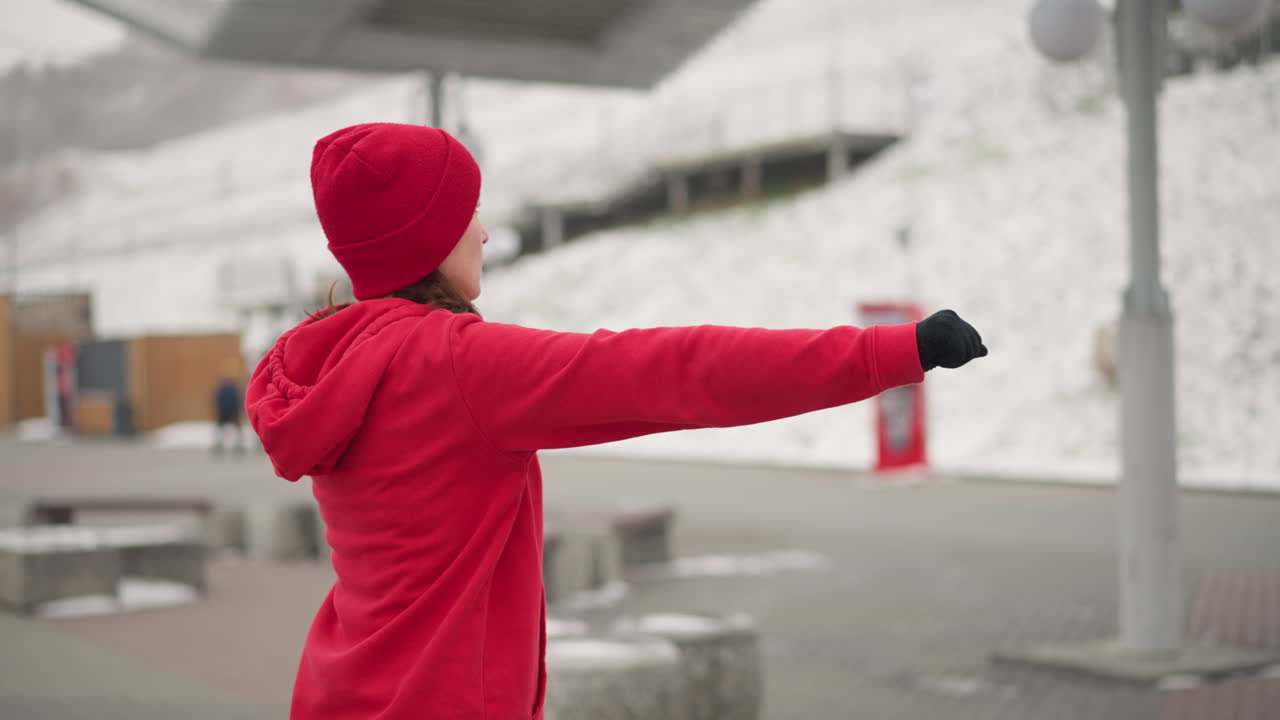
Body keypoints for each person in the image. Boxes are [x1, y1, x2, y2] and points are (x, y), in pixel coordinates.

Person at [246, 122, 988, 720]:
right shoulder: (457, 365)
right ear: (419, 238)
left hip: (339, 694)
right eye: (463, 214)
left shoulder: (325, 363)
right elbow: (683, 371)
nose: (480, 233)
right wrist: (891, 351)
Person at [212, 361, 244, 455]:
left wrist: (238, 410)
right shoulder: (223, 388)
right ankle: (219, 445)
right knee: (220, 430)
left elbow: (238, 400)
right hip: (225, 412)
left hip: (232, 412)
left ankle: (238, 446)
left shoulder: (233, 387)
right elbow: (217, 400)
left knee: (237, 430)